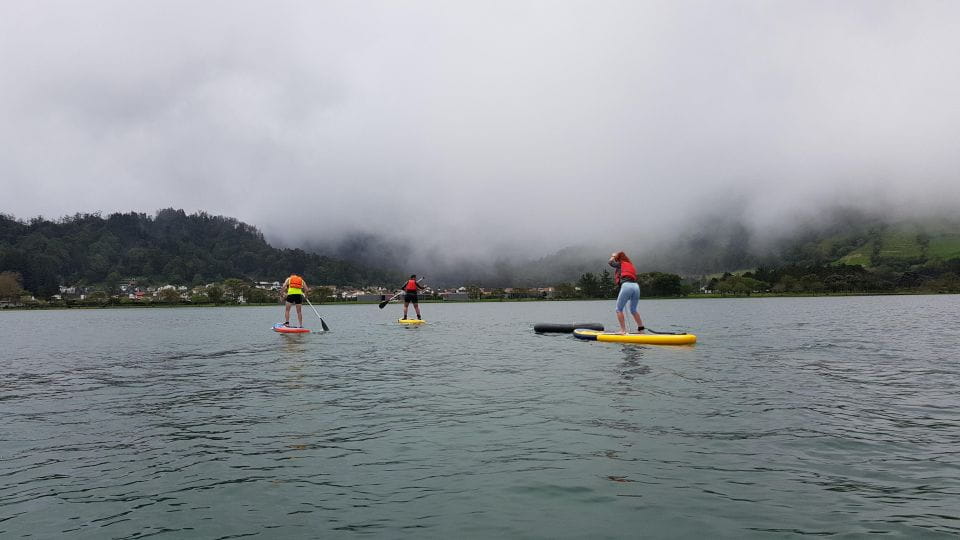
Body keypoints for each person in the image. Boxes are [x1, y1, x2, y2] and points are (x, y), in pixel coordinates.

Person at [608, 252, 644, 334]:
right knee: (633, 310)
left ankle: (623, 330)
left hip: (626, 286)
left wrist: (613, 256)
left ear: (618, 259)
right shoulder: (630, 265)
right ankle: (641, 329)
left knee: (618, 309)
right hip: (636, 287)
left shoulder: (620, 263)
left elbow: (610, 262)